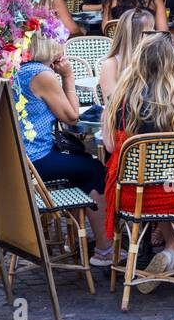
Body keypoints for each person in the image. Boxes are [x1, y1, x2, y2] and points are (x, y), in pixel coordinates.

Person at [101, 33, 174, 281]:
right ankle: (171, 253)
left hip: (131, 194)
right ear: (173, 64)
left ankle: (161, 253)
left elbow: (108, 146)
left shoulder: (121, 102)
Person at [15, 32, 110, 263]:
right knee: (95, 169)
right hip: (36, 158)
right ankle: (104, 248)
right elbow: (71, 117)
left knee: (82, 168)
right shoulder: (42, 74)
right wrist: (68, 77)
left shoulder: (20, 69)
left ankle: (90, 243)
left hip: (20, 157)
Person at [98, 8, 159, 104]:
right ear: (136, 35)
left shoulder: (155, 58)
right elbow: (113, 105)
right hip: (124, 116)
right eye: (150, 31)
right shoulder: (111, 64)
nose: (155, 34)